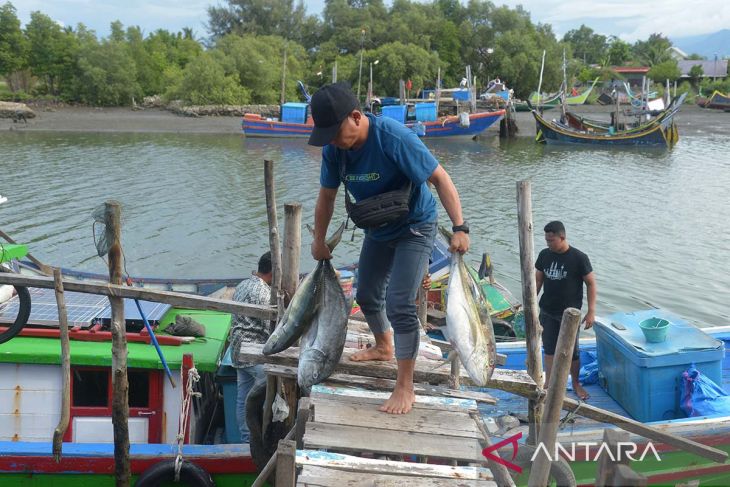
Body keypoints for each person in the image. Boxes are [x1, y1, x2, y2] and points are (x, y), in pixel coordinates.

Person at [307, 82, 470, 415]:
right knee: (366, 294)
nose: (334, 141)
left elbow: (440, 178)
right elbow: (327, 197)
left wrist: (459, 227)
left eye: (336, 132)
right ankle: (384, 345)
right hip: (378, 227)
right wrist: (319, 240)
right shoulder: (334, 150)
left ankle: (405, 384)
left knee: (399, 302)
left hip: (415, 225)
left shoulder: (393, 137)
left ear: (356, 116)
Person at [535, 221, 596, 401]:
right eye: (546, 240)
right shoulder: (544, 255)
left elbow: (591, 283)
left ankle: (576, 383)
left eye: (552, 240)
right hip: (547, 310)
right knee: (549, 349)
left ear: (562, 238)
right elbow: (537, 281)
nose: (548, 244)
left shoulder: (579, 258)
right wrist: (530, 304)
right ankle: (548, 383)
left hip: (569, 315)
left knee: (572, 352)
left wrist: (591, 311)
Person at [229, 251, 273, 442]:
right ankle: (263, 435)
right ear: (274, 272)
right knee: (267, 389)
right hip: (252, 351)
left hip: (237, 349)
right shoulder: (264, 293)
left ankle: (247, 438)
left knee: (243, 397)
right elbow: (269, 330)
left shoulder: (243, 284)